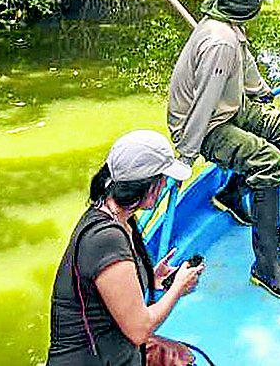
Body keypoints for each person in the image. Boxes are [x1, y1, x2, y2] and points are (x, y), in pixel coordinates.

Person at [166, 0, 280, 301]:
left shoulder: (231, 28)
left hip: (230, 107)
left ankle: (230, 194)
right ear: (251, 7)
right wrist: (186, 155)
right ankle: (268, 264)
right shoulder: (220, 43)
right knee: (268, 161)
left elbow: (245, 66)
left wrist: (261, 91)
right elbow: (204, 103)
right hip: (203, 125)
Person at [46, 130, 203, 366]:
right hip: (94, 359)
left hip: (109, 348)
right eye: (162, 179)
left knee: (182, 358)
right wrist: (178, 287)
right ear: (148, 186)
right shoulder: (106, 239)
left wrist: (150, 277)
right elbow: (139, 330)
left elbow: (107, 285)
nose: (165, 185)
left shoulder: (113, 214)